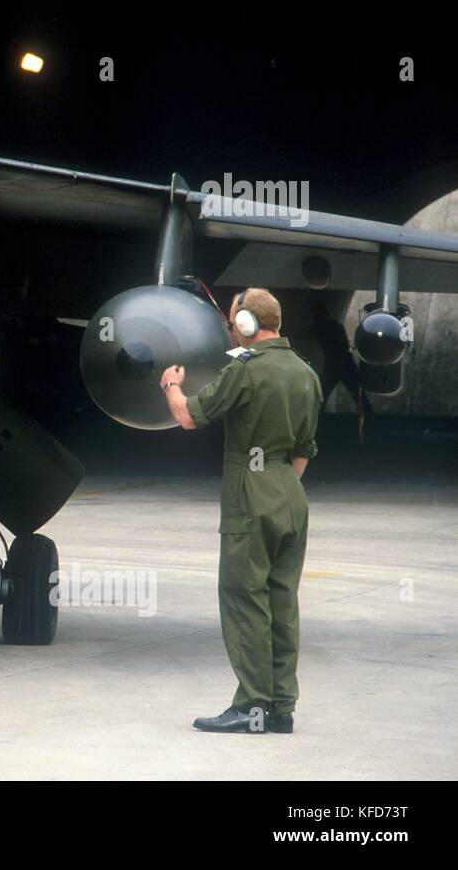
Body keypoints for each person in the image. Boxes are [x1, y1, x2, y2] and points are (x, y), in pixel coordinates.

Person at [160, 288, 323, 734]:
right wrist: (278, 484)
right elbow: (303, 451)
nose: (231, 326)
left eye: (233, 320)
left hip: (251, 496)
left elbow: (191, 417)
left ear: (247, 325)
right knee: (281, 600)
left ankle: (252, 705)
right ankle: (280, 708)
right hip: (290, 492)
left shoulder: (245, 370)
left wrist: (172, 384)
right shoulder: (305, 373)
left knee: (244, 598)